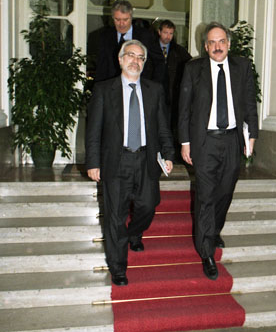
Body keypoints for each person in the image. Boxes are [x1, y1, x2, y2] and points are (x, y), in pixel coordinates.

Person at [86, 39, 174, 286]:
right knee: (115, 216)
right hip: (117, 160)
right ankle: (118, 268)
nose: (135, 61)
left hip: (146, 159)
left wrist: (168, 154)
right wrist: (93, 162)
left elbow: (163, 127)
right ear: (120, 59)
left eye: (140, 58)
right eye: (131, 56)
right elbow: (93, 130)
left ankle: (134, 232)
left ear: (144, 63)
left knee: (149, 204)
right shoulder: (104, 90)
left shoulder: (154, 90)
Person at [178, 22, 258, 280]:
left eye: (221, 41)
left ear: (229, 44)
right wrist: (185, 142)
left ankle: (214, 229)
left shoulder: (242, 67)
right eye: (212, 42)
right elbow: (184, 108)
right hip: (205, 142)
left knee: (226, 191)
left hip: (232, 140)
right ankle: (207, 252)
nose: (217, 46)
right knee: (206, 196)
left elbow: (249, 103)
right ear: (205, 46)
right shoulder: (193, 69)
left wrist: (252, 135)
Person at [144, 20, 191, 149]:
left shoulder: (178, 51)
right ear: (159, 32)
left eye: (170, 33)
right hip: (153, 93)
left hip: (171, 95)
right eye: (165, 32)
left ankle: (168, 151)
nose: (168, 36)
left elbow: (190, 66)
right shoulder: (149, 49)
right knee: (153, 122)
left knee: (170, 125)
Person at [94, 0, 147, 82]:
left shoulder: (146, 36)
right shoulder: (104, 37)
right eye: (117, 19)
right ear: (112, 18)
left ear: (131, 18)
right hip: (111, 86)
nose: (121, 24)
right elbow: (101, 67)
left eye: (125, 20)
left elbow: (157, 63)